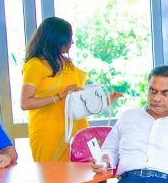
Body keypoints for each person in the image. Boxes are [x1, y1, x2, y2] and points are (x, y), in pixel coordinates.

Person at [19, 17, 107, 161]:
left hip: (76, 129)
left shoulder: (68, 64)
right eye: (68, 38)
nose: (72, 42)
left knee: (83, 170)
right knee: (53, 172)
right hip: (49, 132)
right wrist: (60, 96)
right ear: (56, 39)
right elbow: (25, 103)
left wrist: (104, 99)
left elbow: (78, 95)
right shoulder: (35, 65)